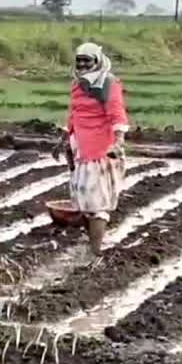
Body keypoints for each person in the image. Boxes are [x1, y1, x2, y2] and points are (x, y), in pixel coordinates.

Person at [53, 42, 130, 256]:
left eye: (87, 60)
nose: (82, 65)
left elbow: (116, 113)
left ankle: (95, 252)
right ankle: (92, 246)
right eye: (79, 61)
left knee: (97, 204)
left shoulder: (108, 83)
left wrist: (118, 141)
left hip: (101, 150)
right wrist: (63, 139)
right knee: (84, 201)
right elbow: (74, 113)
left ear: (97, 61)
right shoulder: (78, 84)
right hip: (81, 147)